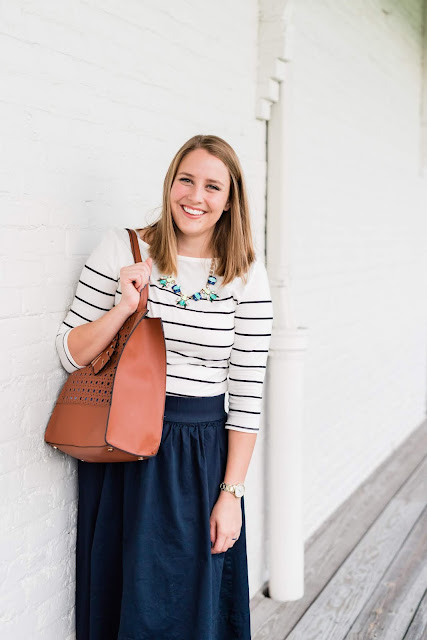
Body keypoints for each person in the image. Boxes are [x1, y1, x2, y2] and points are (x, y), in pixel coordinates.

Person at [55, 134, 274, 640]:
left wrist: (232, 493)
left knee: (197, 608)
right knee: (125, 603)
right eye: (187, 180)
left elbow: (246, 393)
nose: (195, 196)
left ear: (230, 198)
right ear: (171, 182)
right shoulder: (123, 248)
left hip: (201, 458)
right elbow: (69, 354)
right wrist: (122, 309)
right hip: (125, 453)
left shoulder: (245, 274)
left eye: (212, 186)